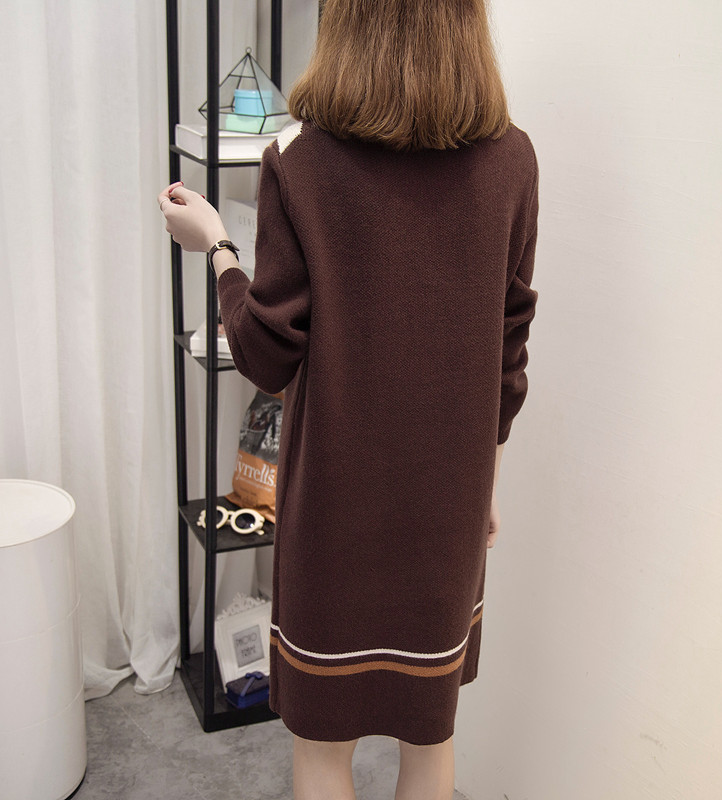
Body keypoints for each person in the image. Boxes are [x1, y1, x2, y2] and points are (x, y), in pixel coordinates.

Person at [158, 0, 539, 797]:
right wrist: (486, 490)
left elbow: (265, 353)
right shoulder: (512, 159)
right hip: (447, 513)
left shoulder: (301, 160)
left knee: (324, 749)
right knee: (430, 744)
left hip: (334, 515)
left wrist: (217, 247)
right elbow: (507, 358)